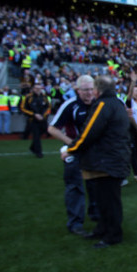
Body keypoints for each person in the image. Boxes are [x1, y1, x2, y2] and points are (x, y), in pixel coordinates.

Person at [61, 75, 131, 249]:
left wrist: (71, 149)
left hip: (106, 161)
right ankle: (103, 229)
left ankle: (112, 235)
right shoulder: (117, 104)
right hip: (114, 158)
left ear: (97, 90)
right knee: (104, 199)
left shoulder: (102, 105)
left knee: (108, 201)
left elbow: (89, 131)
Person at [48, 75, 99, 235]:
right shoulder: (70, 105)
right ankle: (75, 222)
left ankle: (95, 214)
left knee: (95, 184)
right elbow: (52, 128)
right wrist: (70, 143)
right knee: (74, 186)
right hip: (75, 153)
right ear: (77, 90)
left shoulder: (99, 104)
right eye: (85, 90)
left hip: (93, 153)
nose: (89, 93)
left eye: (92, 89)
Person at [19, 81, 51, 158]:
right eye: (36, 88)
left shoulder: (44, 97)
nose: (38, 90)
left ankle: (32, 147)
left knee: (44, 132)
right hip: (32, 119)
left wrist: (43, 115)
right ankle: (38, 152)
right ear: (33, 89)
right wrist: (34, 114)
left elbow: (48, 107)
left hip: (43, 119)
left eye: (39, 88)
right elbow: (22, 108)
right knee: (36, 136)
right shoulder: (28, 97)